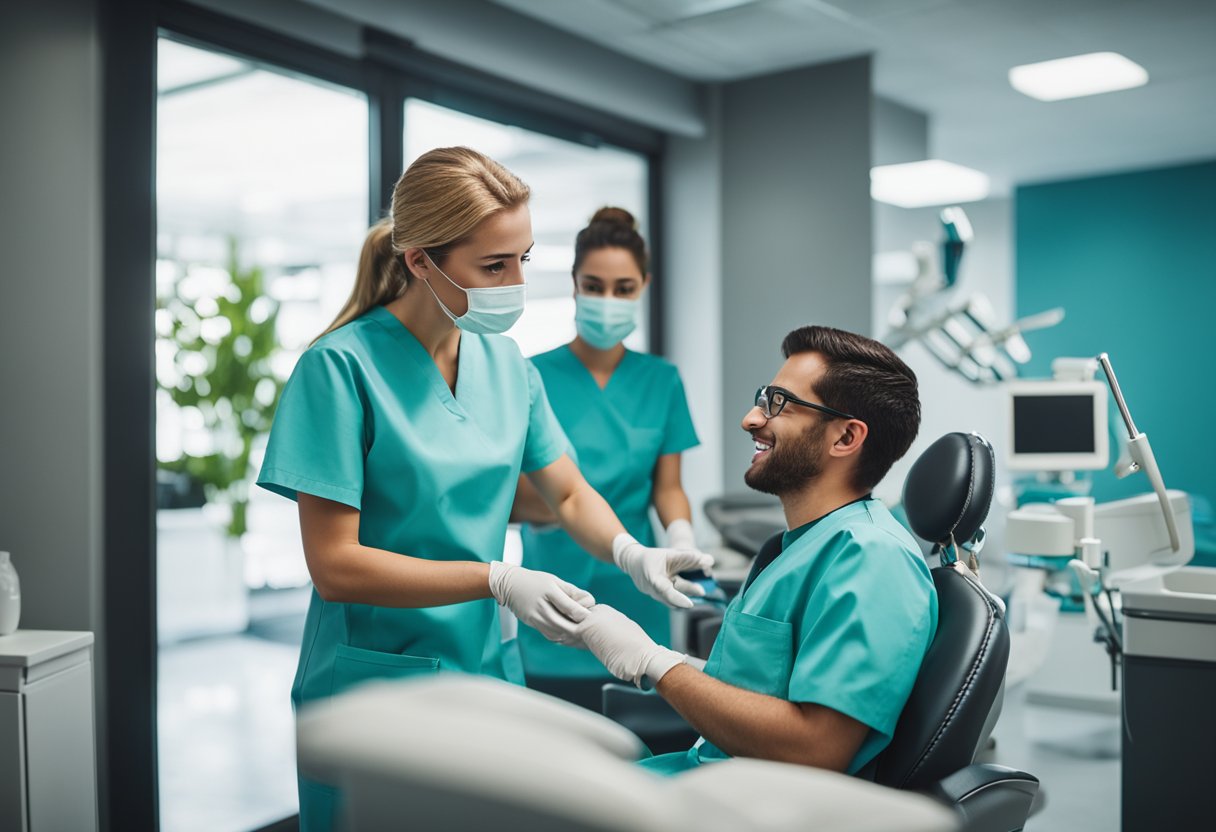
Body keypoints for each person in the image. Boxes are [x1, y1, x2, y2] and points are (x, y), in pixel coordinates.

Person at [256, 147, 712, 831]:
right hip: (374, 686)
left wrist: (629, 552)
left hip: (484, 670)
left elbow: (565, 492)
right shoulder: (339, 369)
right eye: (494, 266)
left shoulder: (505, 364)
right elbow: (336, 565)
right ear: (420, 260)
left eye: (524, 258)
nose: (516, 282)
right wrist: (496, 579)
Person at [573, 325, 936, 777]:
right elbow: (763, 689)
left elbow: (815, 748)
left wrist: (657, 664)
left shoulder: (871, 557)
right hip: (706, 778)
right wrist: (668, 661)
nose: (750, 419)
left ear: (845, 438)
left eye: (778, 404)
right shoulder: (804, 545)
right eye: (763, 398)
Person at [510, 207, 701, 710]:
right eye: (593, 286)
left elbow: (667, 486)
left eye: (622, 288)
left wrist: (680, 537)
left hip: (639, 590)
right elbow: (512, 493)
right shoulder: (531, 376)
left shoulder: (661, 381)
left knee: (641, 759)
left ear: (643, 287)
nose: (607, 300)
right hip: (554, 589)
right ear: (574, 285)